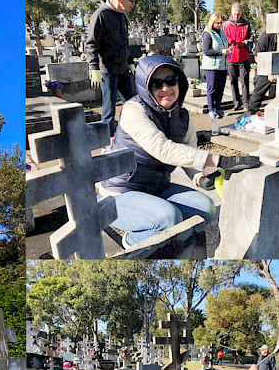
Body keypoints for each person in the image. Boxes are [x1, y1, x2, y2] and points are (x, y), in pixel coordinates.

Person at [98, 55, 259, 248]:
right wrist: (218, 160)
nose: (165, 89)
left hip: (156, 188)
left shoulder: (182, 115)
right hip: (121, 192)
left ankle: (167, 236)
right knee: (168, 218)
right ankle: (131, 241)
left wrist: (199, 176)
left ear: (179, 83)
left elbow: (188, 152)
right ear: (144, 87)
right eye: (156, 84)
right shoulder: (133, 110)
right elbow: (163, 149)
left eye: (170, 81)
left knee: (206, 210)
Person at [85, 0, 140, 135]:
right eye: (131, 0)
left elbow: (124, 43)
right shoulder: (100, 15)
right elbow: (91, 44)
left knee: (132, 103)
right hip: (107, 70)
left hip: (123, 69)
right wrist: (94, 68)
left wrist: (130, 62)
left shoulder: (122, 16)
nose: (133, 5)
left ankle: (131, 133)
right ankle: (106, 140)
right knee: (109, 109)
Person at [222, 3, 254, 112]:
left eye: (238, 14)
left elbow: (251, 38)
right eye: (235, 14)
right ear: (231, 12)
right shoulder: (226, 25)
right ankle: (236, 103)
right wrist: (228, 42)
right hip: (231, 58)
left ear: (241, 13)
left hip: (243, 57)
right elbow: (221, 39)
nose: (236, 16)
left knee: (244, 82)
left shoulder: (247, 25)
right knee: (232, 81)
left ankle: (246, 103)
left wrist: (244, 42)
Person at [201, 12, 229, 120]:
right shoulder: (208, 33)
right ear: (212, 22)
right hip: (211, 66)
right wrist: (221, 51)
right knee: (211, 88)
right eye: (217, 23)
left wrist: (227, 50)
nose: (219, 25)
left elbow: (224, 44)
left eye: (221, 23)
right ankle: (211, 110)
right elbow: (206, 51)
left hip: (222, 65)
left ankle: (218, 108)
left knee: (220, 88)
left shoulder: (222, 33)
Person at [247, 31, 277, 115]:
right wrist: (269, 72)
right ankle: (251, 113)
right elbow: (257, 57)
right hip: (265, 67)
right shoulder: (266, 36)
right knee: (258, 93)